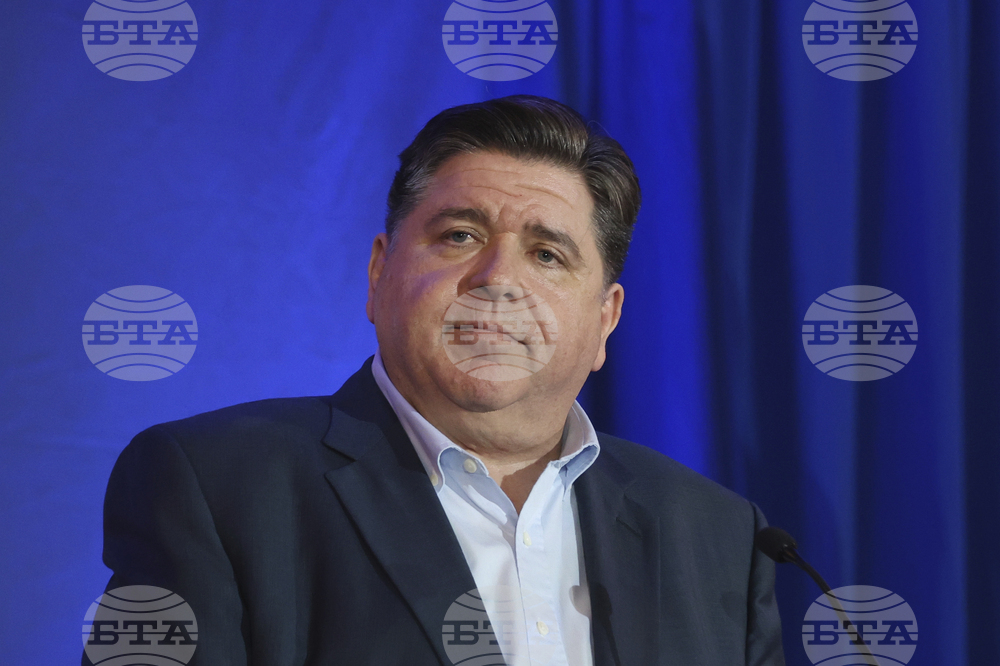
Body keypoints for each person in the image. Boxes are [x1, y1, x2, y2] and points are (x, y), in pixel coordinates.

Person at [87, 95, 784, 665]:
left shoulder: (718, 536)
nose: (498, 280)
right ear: (378, 272)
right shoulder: (216, 486)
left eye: (547, 254)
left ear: (605, 320)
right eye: (459, 236)